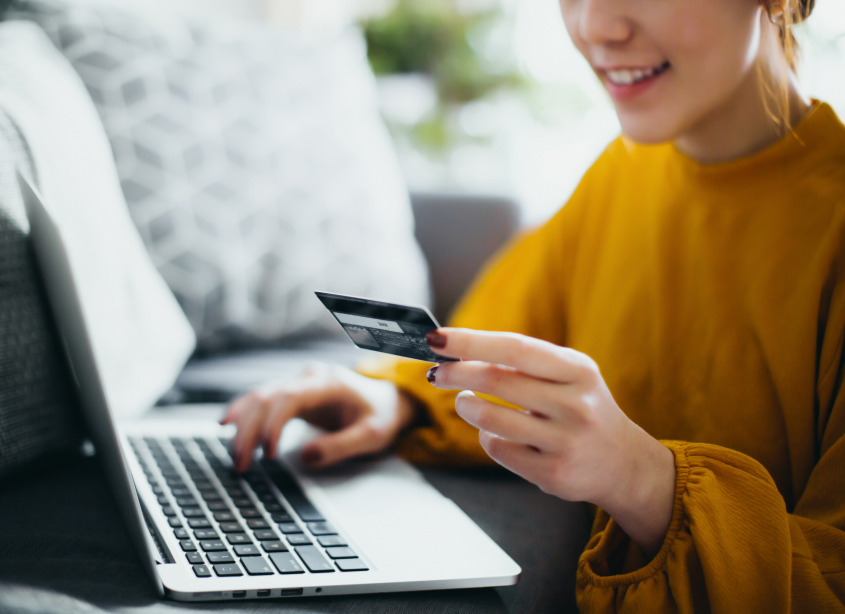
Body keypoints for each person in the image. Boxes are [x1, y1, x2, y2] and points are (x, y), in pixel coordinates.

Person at [222, 0, 845, 610]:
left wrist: (643, 478)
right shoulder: (619, 176)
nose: (595, 25)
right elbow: (499, 347)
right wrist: (393, 400)